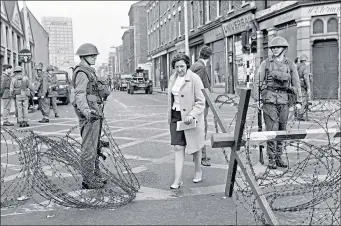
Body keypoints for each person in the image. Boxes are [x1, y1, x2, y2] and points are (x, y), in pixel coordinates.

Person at [253, 36, 302, 169]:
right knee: (272, 131)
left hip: (284, 100)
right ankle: (272, 158)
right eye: (273, 48)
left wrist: (299, 101)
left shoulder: (290, 64)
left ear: (284, 49)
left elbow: (296, 82)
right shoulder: (266, 63)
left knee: (282, 130)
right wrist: (257, 99)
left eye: (278, 47)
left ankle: (279, 157)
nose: (275, 50)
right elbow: (257, 81)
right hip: (269, 100)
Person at [72, 43, 111, 189]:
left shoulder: (89, 71)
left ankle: (94, 174)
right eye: (92, 55)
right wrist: (87, 112)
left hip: (95, 112)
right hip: (90, 114)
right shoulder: (82, 73)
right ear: (84, 56)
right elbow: (80, 94)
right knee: (89, 147)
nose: (95, 57)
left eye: (95, 55)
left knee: (95, 146)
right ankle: (88, 180)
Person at [167, 53, 206, 189]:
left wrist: (193, 114)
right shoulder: (173, 78)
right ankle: (177, 180)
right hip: (176, 115)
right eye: (176, 66)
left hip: (190, 117)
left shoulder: (194, 78)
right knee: (178, 147)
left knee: (195, 146)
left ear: (187, 65)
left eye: (182, 66)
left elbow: (201, 101)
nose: (179, 69)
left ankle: (198, 170)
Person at [189, 45, 213, 167]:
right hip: (200, 103)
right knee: (201, 129)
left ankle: (197, 156)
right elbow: (200, 88)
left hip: (196, 103)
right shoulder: (201, 68)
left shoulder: (195, 65)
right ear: (209, 56)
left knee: (198, 128)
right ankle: (202, 157)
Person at [297, 54, 312, 121]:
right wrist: (308, 88)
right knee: (304, 100)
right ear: (305, 60)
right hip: (302, 86)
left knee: (298, 100)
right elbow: (306, 78)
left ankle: (296, 113)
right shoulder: (305, 67)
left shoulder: (297, 66)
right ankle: (300, 115)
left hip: (296, 85)